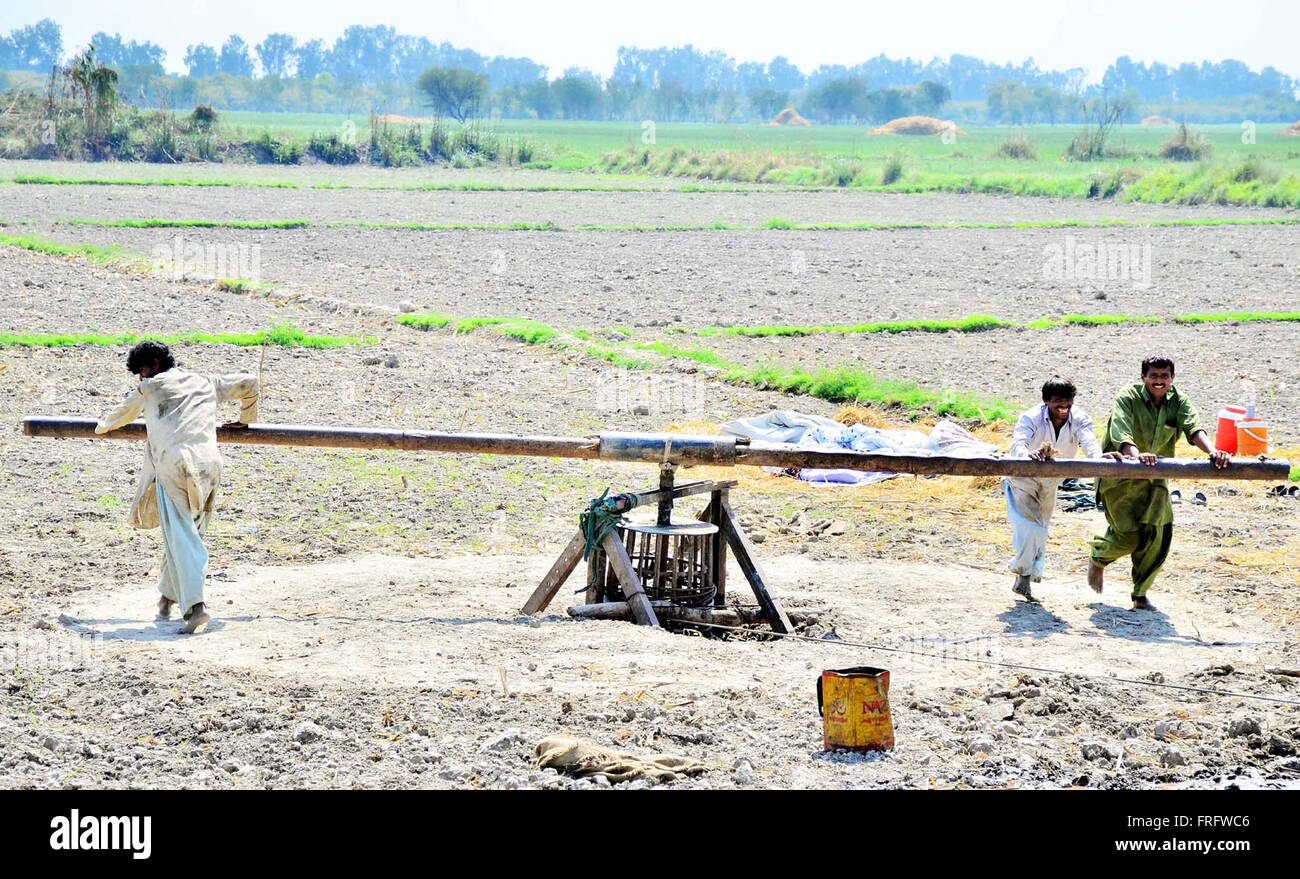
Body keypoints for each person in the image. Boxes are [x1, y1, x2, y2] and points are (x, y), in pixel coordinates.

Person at [95, 341, 260, 634]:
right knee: (187, 532)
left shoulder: (151, 387)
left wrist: (99, 427)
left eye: (142, 371)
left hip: (174, 466)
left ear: (155, 364)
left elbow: (116, 418)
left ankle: (196, 607)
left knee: (182, 535)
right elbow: (250, 382)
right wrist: (246, 420)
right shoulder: (207, 381)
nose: (141, 378)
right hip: (210, 464)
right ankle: (167, 598)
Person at [1088, 355, 1229, 610]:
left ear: (1172, 378)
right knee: (1129, 537)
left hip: (1155, 479)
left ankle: (1140, 595)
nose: (1159, 381)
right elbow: (1120, 433)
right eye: (1154, 376)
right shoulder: (1127, 398)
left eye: (1164, 376)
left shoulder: (1178, 400)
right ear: (1143, 377)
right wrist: (1137, 456)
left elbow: (1194, 428)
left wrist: (1212, 452)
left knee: (1158, 533)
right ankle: (1099, 557)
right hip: (1120, 477)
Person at [1004, 376, 1116, 603]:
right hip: (1022, 478)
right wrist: (1027, 455)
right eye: (1058, 402)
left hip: (1052, 480)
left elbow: (1089, 442)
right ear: (1046, 401)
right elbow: (1018, 443)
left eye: (1068, 402)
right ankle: (1022, 574)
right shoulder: (1031, 417)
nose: (1063, 407)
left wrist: (1099, 458)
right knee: (1031, 529)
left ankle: (1025, 578)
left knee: (1041, 529)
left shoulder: (1080, 418)